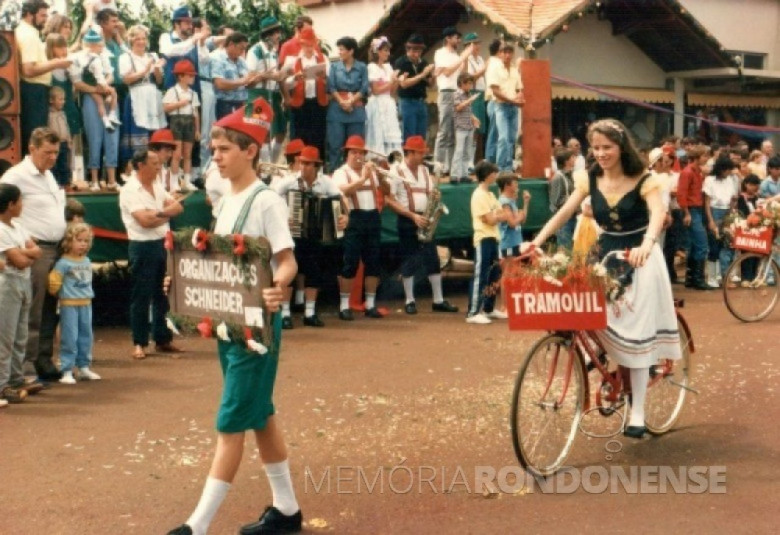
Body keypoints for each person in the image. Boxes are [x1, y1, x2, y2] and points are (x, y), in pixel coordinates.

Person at [166, 98, 302, 535]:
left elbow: (286, 259)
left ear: (250, 151)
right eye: (213, 148)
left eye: (224, 149)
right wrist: (183, 281)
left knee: (230, 421)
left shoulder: (266, 201)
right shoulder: (225, 199)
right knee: (259, 415)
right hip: (231, 325)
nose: (216, 157)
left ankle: (197, 525)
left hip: (257, 328)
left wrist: (279, 286)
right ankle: (287, 509)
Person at [523, 118, 681, 439]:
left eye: (607, 147)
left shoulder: (645, 179)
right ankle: (595, 351)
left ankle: (637, 411)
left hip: (638, 256)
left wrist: (647, 246)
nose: (601, 153)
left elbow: (657, 216)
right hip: (603, 251)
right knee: (579, 302)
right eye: (595, 148)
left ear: (621, 147)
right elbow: (564, 213)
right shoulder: (588, 178)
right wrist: (535, 242)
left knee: (634, 332)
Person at [0, 127, 66, 382]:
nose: (52, 158)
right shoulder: (15, 176)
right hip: (34, 251)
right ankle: (24, 368)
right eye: (47, 152)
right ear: (32, 149)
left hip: (56, 248)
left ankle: (43, 359)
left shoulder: (48, 175)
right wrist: (23, 241)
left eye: (56, 153)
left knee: (51, 308)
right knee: (33, 310)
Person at [119, 149, 184, 361]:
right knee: (141, 295)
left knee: (163, 294)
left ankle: (163, 339)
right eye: (154, 163)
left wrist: (157, 215)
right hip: (142, 246)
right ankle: (139, 342)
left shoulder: (157, 185)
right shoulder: (129, 190)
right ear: (140, 165)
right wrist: (165, 214)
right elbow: (144, 222)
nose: (159, 167)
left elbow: (178, 208)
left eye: (159, 163)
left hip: (162, 243)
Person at [271, 146, 346, 328]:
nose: (303, 167)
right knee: (290, 272)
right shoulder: (288, 182)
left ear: (316, 166)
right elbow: (270, 198)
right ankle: (286, 313)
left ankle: (310, 312)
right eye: (302, 163)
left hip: (316, 235)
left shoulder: (326, 183)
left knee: (314, 272)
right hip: (292, 234)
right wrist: (283, 217)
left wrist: (345, 217)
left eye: (307, 164)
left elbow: (339, 200)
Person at [386, 135, 459, 315]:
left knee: (433, 259)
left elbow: (430, 193)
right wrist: (412, 216)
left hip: (425, 219)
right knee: (409, 259)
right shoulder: (396, 171)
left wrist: (434, 202)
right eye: (419, 153)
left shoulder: (425, 171)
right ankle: (410, 300)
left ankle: (438, 300)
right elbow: (389, 199)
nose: (423, 157)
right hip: (407, 219)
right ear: (409, 153)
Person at [332, 135, 390, 320]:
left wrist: (381, 178)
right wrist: (363, 178)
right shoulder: (341, 172)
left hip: (372, 216)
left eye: (360, 152)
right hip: (354, 218)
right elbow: (343, 190)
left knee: (373, 262)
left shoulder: (371, 171)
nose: (357, 156)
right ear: (347, 155)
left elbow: (387, 192)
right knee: (350, 263)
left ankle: (371, 304)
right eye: (353, 152)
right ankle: (344, 305)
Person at [0, 183, 42, 404]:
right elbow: (20, 260)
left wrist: (21, 253)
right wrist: (23, 255)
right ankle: (1, 385)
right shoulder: (1, 228)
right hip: (7, 285)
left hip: (22, 282)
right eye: (19, 201)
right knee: (5, 337)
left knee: (20, 335)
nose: (22, 205)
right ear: (10, 204)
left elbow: (35, 251)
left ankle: (15, 379)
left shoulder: (17, 226)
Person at [16, 0, 73, 154]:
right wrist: (56, 63)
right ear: (29, 14)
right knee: (35, 136)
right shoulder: (27, 35)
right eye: (42, 15)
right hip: (33, 91)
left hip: (36, 90)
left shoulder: (30, 33)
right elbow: (29, 70)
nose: (45, 19)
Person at [48, 222, 101, 384]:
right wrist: (57, 291)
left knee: (86, 335)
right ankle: (66, 369)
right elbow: (54, 281)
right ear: (69, 241)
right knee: (69, 337)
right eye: (79, 240)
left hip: (86, 303)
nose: (83, 244)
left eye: (86, 241)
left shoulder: (86, 260)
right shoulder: (63, 263)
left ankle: (84, 366)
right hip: (68, 305)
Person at [70, 29, 120, 191]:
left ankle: (112, 180)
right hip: (91, 97)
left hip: (106, 95)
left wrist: (104, 86)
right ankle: (94, 180)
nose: (97, 46)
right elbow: (77, 83)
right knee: (95, 138)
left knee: (112, 137)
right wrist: (95, 90)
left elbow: (111, 76)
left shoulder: (104, 55)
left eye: (99, 43)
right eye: (94, 44)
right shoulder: (79, 58)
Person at [118, 25, 167, 170]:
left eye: (143, 38)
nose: (141, 41)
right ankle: (134, 171)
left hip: (152, 98)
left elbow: (159, 81)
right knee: (138, 135)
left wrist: (157, 69)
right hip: (136, 97)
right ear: (131, 40)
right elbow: (127, 79)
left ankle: (155, 171)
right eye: (137, 38)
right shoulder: (126, 57)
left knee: (154, 136)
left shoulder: (152, 56)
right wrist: (145, 69)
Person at [464, 161, 507, 324]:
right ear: (488, 175)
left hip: (494, 237)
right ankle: (473, 312)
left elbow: (502, 214)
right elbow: (489, 219)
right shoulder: (479, 195)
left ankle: (488, 308)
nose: (495, 175)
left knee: (493, 274)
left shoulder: (490, 194)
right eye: (493, 173)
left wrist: (496, 216)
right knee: (480, 275)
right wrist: (496, 216)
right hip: (483, 238)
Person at [282, 27, 328, 161]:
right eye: (306, 45)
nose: (309, 48)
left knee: (318, 136)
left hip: (317, 102)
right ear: (301, 44)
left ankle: (317, 166)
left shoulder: (322, 58)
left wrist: (324, 77)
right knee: (299, 137)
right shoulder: (292, 60)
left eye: (311, 44)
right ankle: (298, 165)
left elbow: (329, 81)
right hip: (299, 103)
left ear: (315, 44)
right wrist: (295, 78)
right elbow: (284, 83)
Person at [247, 17, 288, 164]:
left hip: (273, 95)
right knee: (261, 131)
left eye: (278, 32)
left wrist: (282, 76)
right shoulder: (255, 51)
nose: (278, 36)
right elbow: (249, 79)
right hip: (258, 96)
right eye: (276, 32)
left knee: (281, 131)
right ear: (268, 35)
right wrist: (268, 75)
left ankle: (272, 164)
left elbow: (277, 76)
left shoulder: (274, 52)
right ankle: (265, 169)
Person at [326, 36, 369, 172]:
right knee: (335, 146)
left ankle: (355, 175)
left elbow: (364, 88)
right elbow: (331, 87)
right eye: (339, 49)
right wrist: (342, 102)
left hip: (356, 110)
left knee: (355, 146)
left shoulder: (362, 67)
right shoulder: (334, 67)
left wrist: (351, 101)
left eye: (342, 49)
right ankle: (334, 174)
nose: (339, 52)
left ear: (351, 51)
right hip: (337, 110)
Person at [433, 26, 471, 176]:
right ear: (448, 38)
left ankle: (449, 167)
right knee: (444, 131)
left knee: (455, 132)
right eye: (456, 37)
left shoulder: (457, 56)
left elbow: (463, 74)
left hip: (458, 93)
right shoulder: (440, 53)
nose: (459, 40)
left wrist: (465, 58)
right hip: (446, 93)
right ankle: (438, 165)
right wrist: (462, 57)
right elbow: (447, 72)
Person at [485, 41, 523, 172]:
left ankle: (508, 167)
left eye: (509, 52)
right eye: (504, 52)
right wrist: (514, 100)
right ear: (500, 54)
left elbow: (519, 88)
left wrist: (520, 98)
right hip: (500, 105)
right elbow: (495, 90)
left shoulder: (513, 70)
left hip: (513, 107)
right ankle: (501, 168)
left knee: (512, 139)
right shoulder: (494, 68)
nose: (507, 55)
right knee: (502, 138)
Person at [163, 59, 201, 192]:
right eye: (190, 75)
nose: (192, 78)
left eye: (193, 75)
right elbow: (165, 108)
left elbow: (196, 113)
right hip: (176, 122)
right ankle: (173, 182)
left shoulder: (193, 93)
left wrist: (197, 129)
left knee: (188, 154)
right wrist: (180, 103)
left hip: (189, 122)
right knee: (176, 154)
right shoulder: (173, 91)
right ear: (180, 76)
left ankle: (187, 181)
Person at [677, 145, 710, 290]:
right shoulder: (688, 172)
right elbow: (681, 193)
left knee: (695, 245)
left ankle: (692, 278)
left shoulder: (696, 171)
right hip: (691, 209)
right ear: (697, 157)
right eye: (704, 156)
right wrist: (686, 213)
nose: (706, 158)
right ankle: (697, 278)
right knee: (702, 244)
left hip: (696, 209)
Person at [703, 157, 739, 288]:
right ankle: (712, 277)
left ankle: (724, 275)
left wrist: (732, 210)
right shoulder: (710, 180)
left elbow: (733, 199)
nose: (729, 173)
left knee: (727, 245)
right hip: (715, 211)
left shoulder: (730, 180)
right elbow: (707, 202)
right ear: (721, 169)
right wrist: (711, 220)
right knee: (714, 245)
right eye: (727, 170)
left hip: (727, 213)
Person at [364, 36, 402, 158]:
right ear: (377, 51)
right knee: (378, 132)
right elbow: (375, 90)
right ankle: (378, 158)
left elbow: (391, 91)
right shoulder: (372, 67)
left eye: (388, 50)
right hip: (377, 103)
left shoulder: (388, 67)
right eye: (385, 50)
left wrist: (396, 81)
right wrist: (391, 82)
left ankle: (392, 158)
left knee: (391, 132)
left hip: (388, 102)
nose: (388, 53)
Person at [394, 33, 434, 142]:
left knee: (421, 136)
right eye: (413, 51)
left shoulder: (424, 62)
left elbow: (431, 84)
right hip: (407, 102)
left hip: (421, 101)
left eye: (419, 51)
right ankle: (408, 157)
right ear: (408, 49)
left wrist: (433, 74)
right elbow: (404, 84)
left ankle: (419, 157)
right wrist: (422, 75)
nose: (416, 54)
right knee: (409, 135)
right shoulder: (401, 62)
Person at [450, 72, 479, 184]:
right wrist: (470, 100)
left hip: (469, 126)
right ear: (462, 83)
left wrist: (474, 118)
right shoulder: (457, 94)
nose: (470, 86)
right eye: (468, 84)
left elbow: (468, 111)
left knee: (467, 152)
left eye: (471, 84)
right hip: (460, 127)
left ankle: (463, 174)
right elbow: (458, 108)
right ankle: (454, 174)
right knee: (459, 151)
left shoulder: (468, 94)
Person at [463, 33, 487, 161]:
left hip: (481, 93)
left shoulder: (480, 59)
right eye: (474, 44)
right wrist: (483, 70)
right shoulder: (467, 60)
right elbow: (468, 79)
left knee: (481, 128)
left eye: (478, 43)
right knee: (474, 127)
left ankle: (478, 158)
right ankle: (471, 159)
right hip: (473, 93)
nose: (477, 46)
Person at [497, 171, 530, 259]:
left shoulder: (511, 201)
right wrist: (520, 216)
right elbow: (512, 223)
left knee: (516, 269)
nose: (517, 185)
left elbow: (522, 221)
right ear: (507, 185)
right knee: (509, 269)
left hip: (516, 242)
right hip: (508, 245)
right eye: (515, 183)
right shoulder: (504, 202)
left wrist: (526, 203)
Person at [548, 149, 577, 249]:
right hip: (564, 219)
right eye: (572, 157)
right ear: (566, 161)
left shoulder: (572, 175)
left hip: (574, 216)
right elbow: (554, 202)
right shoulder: (558, 177)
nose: (575, 159)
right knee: (564, 247)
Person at [48, 85, 72, 187]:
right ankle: (55, 184)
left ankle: (65, 183)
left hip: (63, 143)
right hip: (54, 144)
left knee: (64, 164)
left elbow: (66, 127)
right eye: (60, 99)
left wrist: (69, 139)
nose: (63, 102)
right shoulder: (49, 114)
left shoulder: (63, 114)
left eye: (64, 99)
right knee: (54, 165)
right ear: (51, 100)